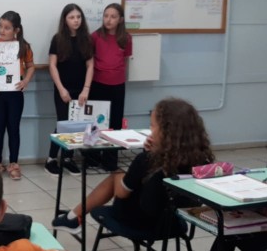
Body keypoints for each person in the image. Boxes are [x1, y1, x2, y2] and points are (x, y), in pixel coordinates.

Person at [52, 97, 213, 235]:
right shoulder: (203, 163)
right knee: (133, 180)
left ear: (166, 131)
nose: (150, 130)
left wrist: (147, 155)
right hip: (175, 223)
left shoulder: (146, 160)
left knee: (117, 175)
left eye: (152, 126)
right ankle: (73, 217)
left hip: (137, 222)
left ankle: (73, 217)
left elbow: (121, 193)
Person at [45, 3, 94, 176]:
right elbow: (52, 65)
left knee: (77, 124)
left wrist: (86, 89)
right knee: (63, 123)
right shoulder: (58, 39)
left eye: (78, 17)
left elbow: (90, 65)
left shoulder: (86, 40)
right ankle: (51, 159)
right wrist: (61, 89)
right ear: (65, 20)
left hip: (81, 90)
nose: (76, 20)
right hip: (63, 89)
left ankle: (68, 158)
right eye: (72, 17)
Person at [0, 11, 35, 180]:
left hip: (15, 94)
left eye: (7, 27)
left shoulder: (23, 46)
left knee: (13, 128)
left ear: (16, 30)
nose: (2, 30)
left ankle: (14, 163)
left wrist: (25, 80)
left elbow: (31, 66)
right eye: (0, 26)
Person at [88, 3, 132, 173]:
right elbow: (90, 61)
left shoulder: (126, 38)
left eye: (113, 17)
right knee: (96, 122)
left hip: (117, 85)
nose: (108, 20)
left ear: (120, 19)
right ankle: (92, 158)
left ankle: (110, 160)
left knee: (115, 123)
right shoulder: (95, 36)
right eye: (106, 16)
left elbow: (125, 60)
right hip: (98, 84)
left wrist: (120, 77)